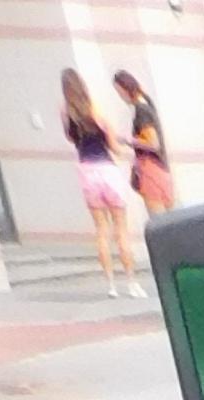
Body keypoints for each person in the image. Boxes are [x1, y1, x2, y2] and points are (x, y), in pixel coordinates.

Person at [61, 71, 138, 292]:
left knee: (101, 230)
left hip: (86, 171)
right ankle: (131, 281)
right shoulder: (96, 112)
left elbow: (70, 138)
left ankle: (111, 284)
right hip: (107, 169)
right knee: (121, 229)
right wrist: (130, 153)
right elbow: (114, 147)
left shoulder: (66, 113)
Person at [110, 69, 175, 215]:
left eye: (119, 92)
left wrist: (128, 140)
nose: (120, 96)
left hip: (150, 169)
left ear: (126, 89)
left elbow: (153, 143)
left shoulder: (141, 111)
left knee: (158, 222)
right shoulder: (148, 106)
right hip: (162, 169)